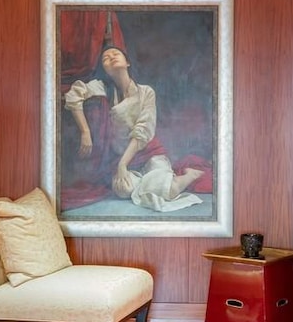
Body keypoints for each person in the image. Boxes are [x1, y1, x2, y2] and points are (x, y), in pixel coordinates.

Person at [64, 46, 203, 212]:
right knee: (122, 190)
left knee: (170, 191)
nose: (111, 57)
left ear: (127, 62)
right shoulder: (101, 87)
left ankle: (190, 175)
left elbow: (142, 132)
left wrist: (122, 165)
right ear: (105, 69)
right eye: (105, 58)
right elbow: (74, 95)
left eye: (116, 54)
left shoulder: (146, 92)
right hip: (119, 156)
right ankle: (154, 182)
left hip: (148, 151)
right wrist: (85, 131)